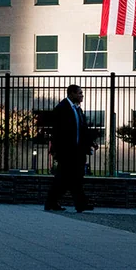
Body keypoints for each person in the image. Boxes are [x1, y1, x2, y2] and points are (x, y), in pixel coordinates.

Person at [45, 84, 97, 213]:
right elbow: (57, 132)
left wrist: (91, 143)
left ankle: (58, 203)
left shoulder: (77, 109)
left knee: (73, 178)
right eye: (79, 93)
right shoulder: (62, 108)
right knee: (67, 178)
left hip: (78, 151)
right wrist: (55, 150)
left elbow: (83, 129)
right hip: (66, 151)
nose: (82, 95)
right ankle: (76, 204)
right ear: (71, 94)